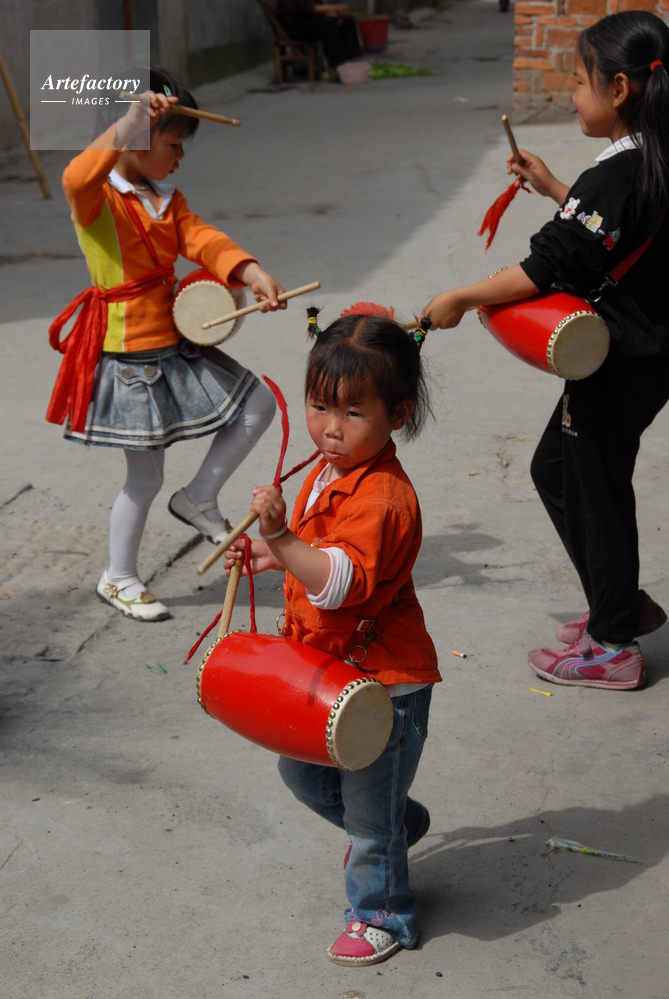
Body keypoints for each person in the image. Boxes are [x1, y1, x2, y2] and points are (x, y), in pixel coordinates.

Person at [418, 11, 669, 690]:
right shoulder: (653, 157)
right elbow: (613, 231)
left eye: (580, 81)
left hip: (612, 361)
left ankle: (612, 644)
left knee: (595, 487)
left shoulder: (611, 176)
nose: (573, 94)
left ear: (619, 88)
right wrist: (558, 188)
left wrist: (460, 296)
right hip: (649, 357)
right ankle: (619, 603)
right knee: (557, 470)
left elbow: (543, 270)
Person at [224, 308, 440, 965]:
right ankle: (398, 824)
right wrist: (272, 555)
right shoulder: (330, 470)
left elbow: (339, 580)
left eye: (352, 412)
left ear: (397, 415)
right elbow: (319, 551)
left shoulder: (383, 498)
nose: (330, 428)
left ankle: (383, 913)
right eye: (319, 406)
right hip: (333, 674)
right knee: (303, 773)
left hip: (382, 686)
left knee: (367, 820)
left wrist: (280, 536)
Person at [47, 67, 286, 622]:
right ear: (135, 137)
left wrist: (250, 272)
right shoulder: (98, 199)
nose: (180, 156)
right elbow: (75, 178)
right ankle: (119, 576)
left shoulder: (166, 200)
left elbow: (204, 240)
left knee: (258, 403)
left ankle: (199, 496)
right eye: (173, 144)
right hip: (131, 356)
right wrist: (130, 120)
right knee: (145, 477)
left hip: (176, 341)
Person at [276, 0, 362, 82]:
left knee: (347, 20)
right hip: (294, 25)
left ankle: (350, 63)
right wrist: (335, 9)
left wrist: (338, 13)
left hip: (307, 19)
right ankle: (335, 69)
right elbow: (309, 8)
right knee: (326, 24)